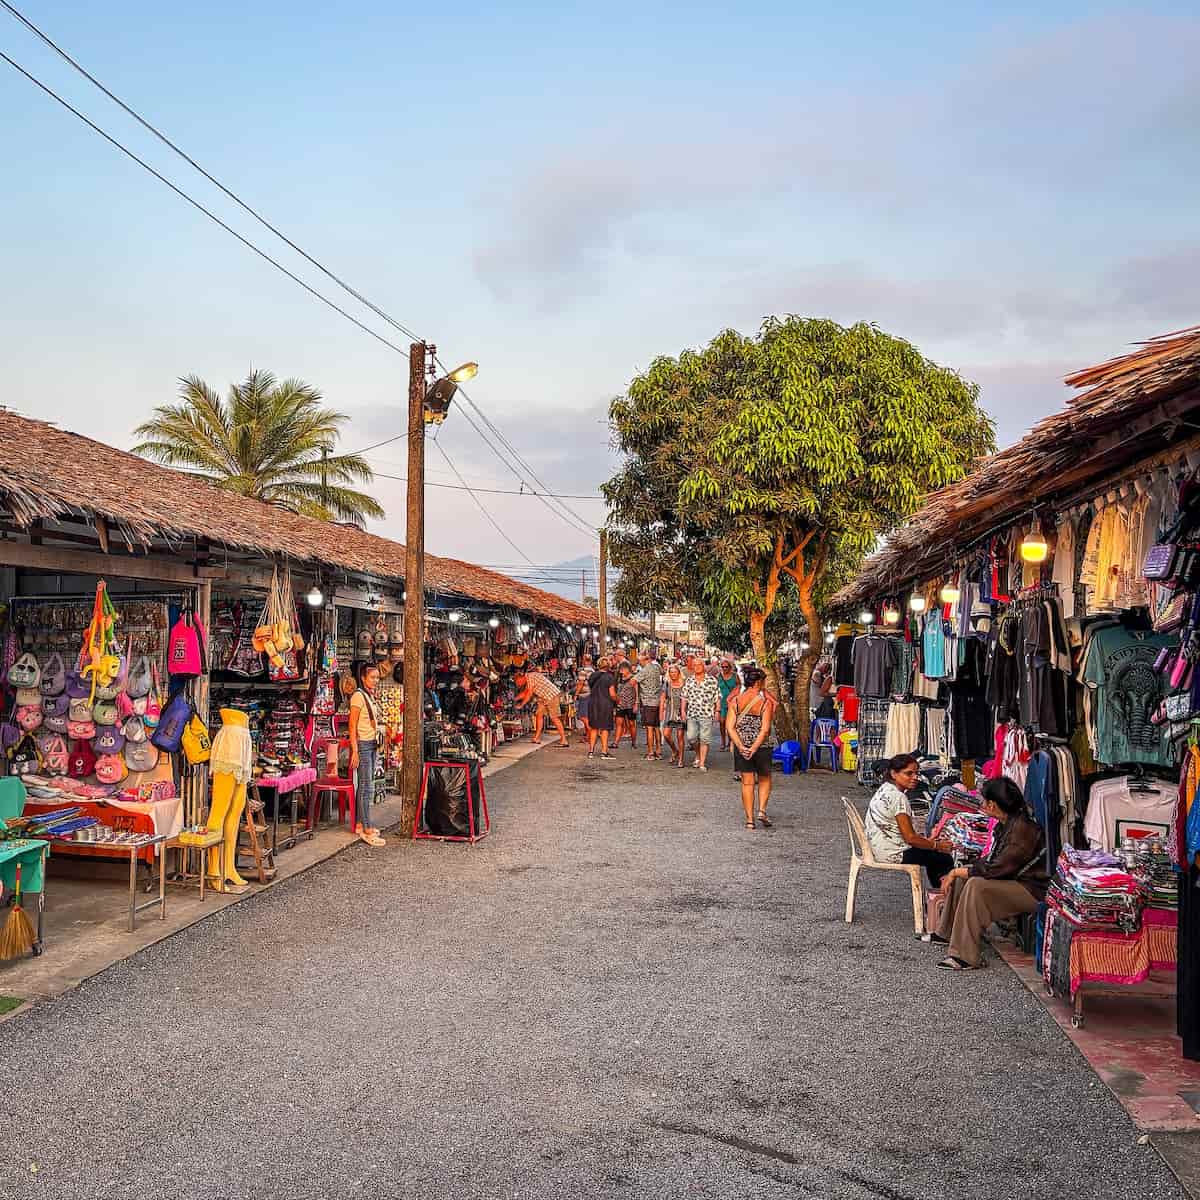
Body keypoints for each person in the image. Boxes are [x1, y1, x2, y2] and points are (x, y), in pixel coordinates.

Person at [931, 777, 1049, 971]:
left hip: (1033, 891)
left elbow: (996, 869)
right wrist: (961, 872)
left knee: (976, 885)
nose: (982, 804)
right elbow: (992, 861)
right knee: (965, 877)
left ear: (992, 805)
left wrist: (956, 871)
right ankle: (947, 932)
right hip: (1017, 882)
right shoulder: (1008, 823)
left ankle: (965, 956)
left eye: (984, 800)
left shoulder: (1022, 830)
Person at [865, 754, 955, 887]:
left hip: (879, 848)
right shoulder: (898, 797)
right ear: (893, 774)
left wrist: (928, 843)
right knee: (942, 858)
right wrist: (938, 846)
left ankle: (937, 897)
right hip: (892, 853)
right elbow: (910, 838)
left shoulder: (884, 789)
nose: (915, 778)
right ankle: (942, 899)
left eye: (916, 773)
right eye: (909, 774)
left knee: (931, 852)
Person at [727, 667, 776, 829]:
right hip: (762, 746)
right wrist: (755, 747)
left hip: (743, 745)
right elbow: (765, 729)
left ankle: (749, 820)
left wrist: (741, 746)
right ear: (758, 682)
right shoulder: (764, 702)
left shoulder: (736, 701)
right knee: (764, 778)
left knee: (747, 783)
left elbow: (730, 727)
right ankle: (761, 810)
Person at [348, 662, 386, 846]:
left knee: (365, 785)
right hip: (362, 745)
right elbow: (352, 725)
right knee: (366, 787)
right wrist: (354, 750)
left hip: (371, 744)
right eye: (372, 677)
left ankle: (358, 823)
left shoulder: (369, 696)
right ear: (363, 678)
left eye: (377, 677)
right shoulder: (358, 696)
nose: (375, 680)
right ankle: (367, 827)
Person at [513, 666, 569, 747]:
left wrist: (521, 705)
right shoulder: (529, 679)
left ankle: (564, 740)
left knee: (554, 718)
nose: (518, 685)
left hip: (551, 696)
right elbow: (525, 693)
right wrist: (513, 699)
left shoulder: (530, 677)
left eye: (518, 683)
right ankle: (537, 738)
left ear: (520, 678)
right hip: (543, 697)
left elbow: (529, 694)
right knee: (539, 715)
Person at [682, 656, 721, 771]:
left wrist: (717, 711)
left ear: (703, 666)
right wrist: (683, 711)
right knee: (691, 737)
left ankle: (702, 762)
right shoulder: (689, 680)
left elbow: (717, 697)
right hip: (692, 713)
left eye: (699, 665)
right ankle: (698, 754)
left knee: (704, 739)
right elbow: (684, 696)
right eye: (695, 665)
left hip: (707, 713)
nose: (697, 667)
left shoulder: (712, 680)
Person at [586, 657, 618, 759]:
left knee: (594, 727)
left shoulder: (592, 675)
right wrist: (618, 700)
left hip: (593, 703)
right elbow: (612, 694)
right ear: (608, 666)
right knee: (605, 728)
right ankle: (604, 752)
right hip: (605, 703)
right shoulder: (609, 677)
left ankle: (591, 751)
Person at [636, 651, 663, 761]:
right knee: (656, 727)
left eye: (640, 661)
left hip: (648, 701)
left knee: (649, 728)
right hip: (657, 700)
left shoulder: (645, 670)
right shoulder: (657, 668)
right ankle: (658, 750)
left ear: (646, 660)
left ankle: (651, 752)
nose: (639, 663)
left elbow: (633, 681)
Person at [660, 663, 687, 767]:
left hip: (681, 712)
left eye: (675, 672)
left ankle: (681, 759)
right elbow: (662, 698)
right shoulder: (667, 683)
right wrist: (661, 712)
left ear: (679, 672)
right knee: (666, 734)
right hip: (670, 712)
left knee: (680, 736)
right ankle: (674, 750)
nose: (673, 674)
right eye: (671, 672)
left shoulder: (684, 683)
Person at [716, 659, 741, 753]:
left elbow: (739, 687)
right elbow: (715, 689)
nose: (724, 668)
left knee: (731, 723)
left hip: (732, 703)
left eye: (726, 667)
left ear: (730, 667)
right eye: (723, 667)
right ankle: (723, 741)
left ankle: (730, 741)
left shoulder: (735, 676)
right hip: (722, 702)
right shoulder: (719, 676)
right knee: (722, 722)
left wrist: (735, 696)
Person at [615, 662, 639, 749]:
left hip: (630, 704)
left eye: (622, 670)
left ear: (627, 669)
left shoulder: (633, 678)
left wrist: (636, 703)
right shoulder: (620, 678)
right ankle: (616, 742)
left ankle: (633, 742)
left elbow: (637, 692)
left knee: (631, 723)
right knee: (619, 723)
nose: (621, 672)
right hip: (621, 704)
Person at [575, 655, 593, 739]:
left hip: (584, 695)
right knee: (587, 715)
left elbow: (580, 683)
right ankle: (588, 735)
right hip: (590, 694)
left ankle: (590, 735)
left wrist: (576, 694)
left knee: (583, 717)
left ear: (583, 660)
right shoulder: (592, 670)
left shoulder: (583, 672)